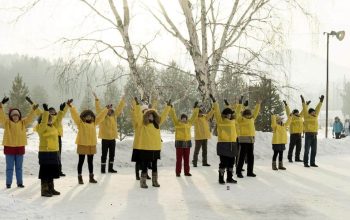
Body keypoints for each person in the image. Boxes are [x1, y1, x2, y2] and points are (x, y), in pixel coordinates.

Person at [131, 97, 171, 189]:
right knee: (144, 165)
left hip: (156, 148)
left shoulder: (157, 124)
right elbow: (138, 116)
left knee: (155, 165)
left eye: (152, 115)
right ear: (146, 116)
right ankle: (143, 182)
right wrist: (137, 106)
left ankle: (155, 181)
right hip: (145, 148)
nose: (151, 117)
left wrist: (168, 107)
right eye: (149, 115)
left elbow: (164, 116)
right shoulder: (143, 124)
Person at [0, 96, 39, 188]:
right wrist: (1, 104)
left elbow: (30, 117)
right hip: (9, 147)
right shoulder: (7, 122)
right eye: (13, 115)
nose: (15, 117)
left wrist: (33, 109)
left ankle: (19, 182)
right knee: (9, 168)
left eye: (17, 115)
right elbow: (1, 115)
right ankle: (8, 183)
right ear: (11, 116)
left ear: (19, 116)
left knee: (19, 168)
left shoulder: (23, 122)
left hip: (20, 148)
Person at [68, 99, 108, 184]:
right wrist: (71, 107)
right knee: (81, 161)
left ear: (92, 117)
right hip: (82, 144)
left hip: (91, 145)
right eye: (87, 116)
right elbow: (75, 115)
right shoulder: (80, 123)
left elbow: (100, 116)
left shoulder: (94, 123)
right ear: (83, 117)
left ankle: (91, 177)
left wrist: (106, 109)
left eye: (90, 116)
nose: (89, 117)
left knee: (90, 162)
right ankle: (79, 177)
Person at [93, 92, 125, 174]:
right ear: (106, 110)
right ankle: (103, 169)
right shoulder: (103, 117)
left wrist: (122, 100)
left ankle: (110, 168)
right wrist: (96, 99)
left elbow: (119, 108)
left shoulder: (114, 116)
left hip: (112, 139)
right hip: (105, 139)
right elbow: (98, 109)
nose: (110, 111)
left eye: (111, 110)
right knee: (104, 155)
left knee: (112, 155)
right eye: (108, 110)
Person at [210, 94, 238, 184]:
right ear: (225, 115)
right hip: (223, 144)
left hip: (233, 144)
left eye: (230, 114)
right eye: (228, 114)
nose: (230, 115)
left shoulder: (233, 121)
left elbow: (237, 111)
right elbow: (217, 112)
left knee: (231, 163)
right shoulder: (220, 121)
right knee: (223, 163)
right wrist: (214, 102)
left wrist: (240, 104)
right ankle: (221, 179)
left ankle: (229, 178)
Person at [35, 103, 62, 197]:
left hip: (53, 152)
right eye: (48, 119)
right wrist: (46, 112)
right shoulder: (41, 128)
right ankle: (44, 190)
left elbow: (58, 119)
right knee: (45, 171)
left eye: (50, 119)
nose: (50, 120)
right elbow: (43, 122)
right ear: (43, 120)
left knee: (51, 171)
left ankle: (51, 188)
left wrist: (61, 111)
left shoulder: (53, 127)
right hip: (45, 152)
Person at [170, 102, 199, 177]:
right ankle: (178, 172)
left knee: (186, 159)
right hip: (179, 144)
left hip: (187, 144)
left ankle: (186, 172)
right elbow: (173, 116)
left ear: (186, 119)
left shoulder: (189, 123)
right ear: (180, 119)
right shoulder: (177, 123)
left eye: (185, 118)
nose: (184, 119)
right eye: (182, 118)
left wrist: (196, 108)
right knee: (179, 159)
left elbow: (194, 116)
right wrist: (171, 108)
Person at [235, 96, 261, 178]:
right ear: (244, 115)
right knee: (241, 157)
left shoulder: (252, 119)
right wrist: (239, 104)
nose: (249, 116)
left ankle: (250, 172)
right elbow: (237, 113)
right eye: (248, 115)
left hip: (251, 139)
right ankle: (238, 172)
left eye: (250, 115)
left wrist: (258, 104)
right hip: (243, 139)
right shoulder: (240, 119)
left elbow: (256, 112)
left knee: (251, 157)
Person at [47, 103, 69, 176]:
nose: (52, 112)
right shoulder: (48, 118)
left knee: (58, 154)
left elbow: (63, 112)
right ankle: (51, 170)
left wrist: (67, 106)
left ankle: (59, 171)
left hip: (58, 137)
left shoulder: (58, 116)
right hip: (51, 137)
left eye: (53, 110)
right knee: (51, 155)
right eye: (50, 111)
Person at [302, 95, 324, 167]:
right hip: (308, 134)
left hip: (314, 135)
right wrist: (303, 101)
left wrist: (321, 101)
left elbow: (318, 108)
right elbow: (305, 109)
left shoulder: (316, 116)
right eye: (313, 112)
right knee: (307, 150)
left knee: (314, 150)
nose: (315, 113)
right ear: (310, 112)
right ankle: (305, 162)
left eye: (315, 112)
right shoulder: (306, 116)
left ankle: (312, 162)